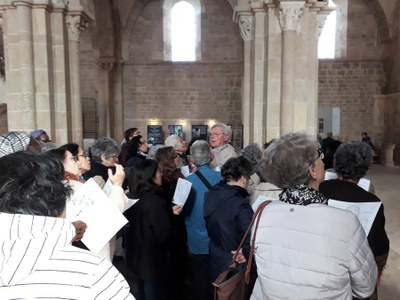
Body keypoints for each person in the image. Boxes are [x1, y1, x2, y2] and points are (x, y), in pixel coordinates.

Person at [250, 132, 378, 299]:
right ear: (312, 171)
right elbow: (365, 288)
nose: (323, 161)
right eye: (320, 156)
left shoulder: (262, 214)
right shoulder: (345, 222)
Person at [0, 151, 134, 299]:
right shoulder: (91, 271)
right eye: (74, 158)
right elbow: (108, 218)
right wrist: (117, 187)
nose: (79, 161)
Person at [319, 141, 389, 300]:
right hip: (354, 276)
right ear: (365, 169)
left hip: (321, 269)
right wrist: (374, 276)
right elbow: (379, 247)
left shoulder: (319, 189)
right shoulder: (372, 201)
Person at [125, 159, 172, 300]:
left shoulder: (131, 196)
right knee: (153, 290)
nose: (161, 174)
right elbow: (163, 233)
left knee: (142, 288)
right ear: (150, 175)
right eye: (158, 171)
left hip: (137, 253)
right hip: (152, 256)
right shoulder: (154, 201)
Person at [204, 156, 254, 282]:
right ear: (243, 178)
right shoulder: (241, 205)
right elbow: (250, 236)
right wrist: (246, 252)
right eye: (248, 178)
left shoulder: (212, 194)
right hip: (234, 263)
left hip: (216, 256)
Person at [183, 140, 223, 300]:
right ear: (212, 156)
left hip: (196, 237)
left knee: (199, 279)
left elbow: (181, 210)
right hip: (219, 237)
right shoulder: (221, 178)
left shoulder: (186, 182)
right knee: (218, 279)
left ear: (192, 159)